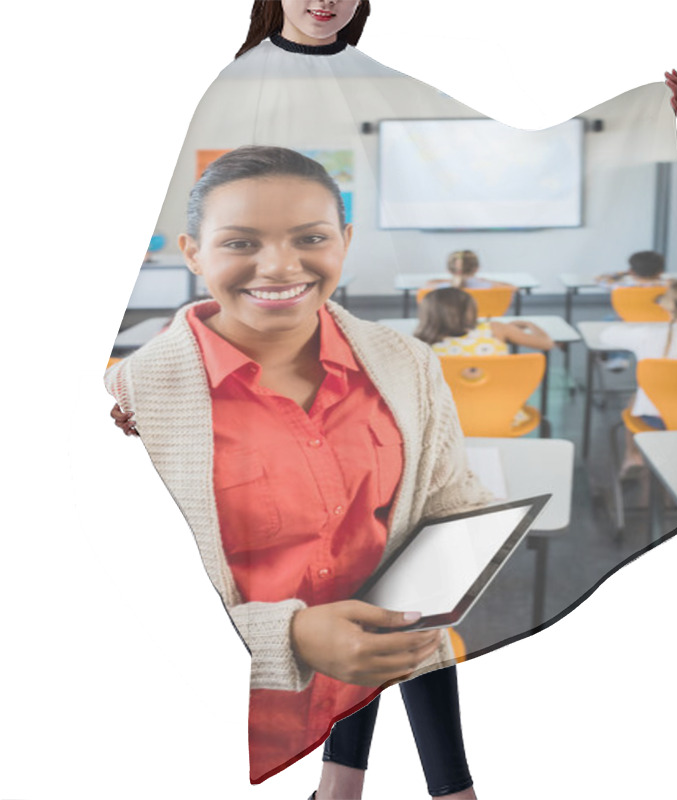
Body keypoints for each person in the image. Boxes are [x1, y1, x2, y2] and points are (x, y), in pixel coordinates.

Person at [107, 145, 491, 799]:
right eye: (240, 242)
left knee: (389, 611)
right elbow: (122, 587)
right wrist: (289, 636)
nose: (281, 266)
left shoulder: (405, 363)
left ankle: (381, 788)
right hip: (236, 703)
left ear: (344, 241)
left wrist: (471, 539)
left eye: (311, 237)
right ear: (193, 251)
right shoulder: (139, 391)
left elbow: (448, 493)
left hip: (387, 619)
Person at [599, 279, 677, 476]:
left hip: (656, 418)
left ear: (667, 306)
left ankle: (633, 456)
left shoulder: (648, 335)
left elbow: (606, 336)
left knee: (636, 398)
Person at [414, 287, 553, 354]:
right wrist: (529, 324)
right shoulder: (497, 329)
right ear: (470, 309)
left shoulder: (419, 345)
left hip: (447, 411)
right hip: (501, 408)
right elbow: (547, 344)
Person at [423, 251, 512, 291]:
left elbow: (428, 284)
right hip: (483, 326)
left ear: (448, 270)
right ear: (476, 269)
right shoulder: (487, 286)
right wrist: (486, 280)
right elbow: (512, 288)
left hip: (447, 327)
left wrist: (451, 280)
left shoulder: (439, 288)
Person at [595, 250, 667, 287]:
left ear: (631, 271)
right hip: (658, 315)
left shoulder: (620, 286)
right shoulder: (668, 285)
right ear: (661, 271)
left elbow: (599, 278)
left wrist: (625, 273)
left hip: (628, 315)